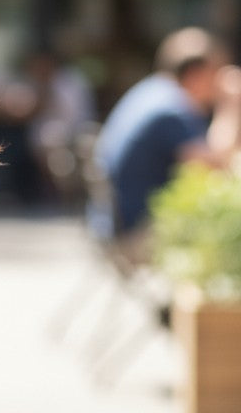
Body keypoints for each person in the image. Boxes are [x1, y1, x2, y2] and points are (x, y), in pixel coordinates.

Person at [96, 27, 241, 248]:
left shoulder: (153, 92)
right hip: (138, 231)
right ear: (196, 74)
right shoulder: (172, 109)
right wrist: (231, 106)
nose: (218, 85)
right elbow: (214, 166)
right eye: (216, 74)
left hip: (113, 221)